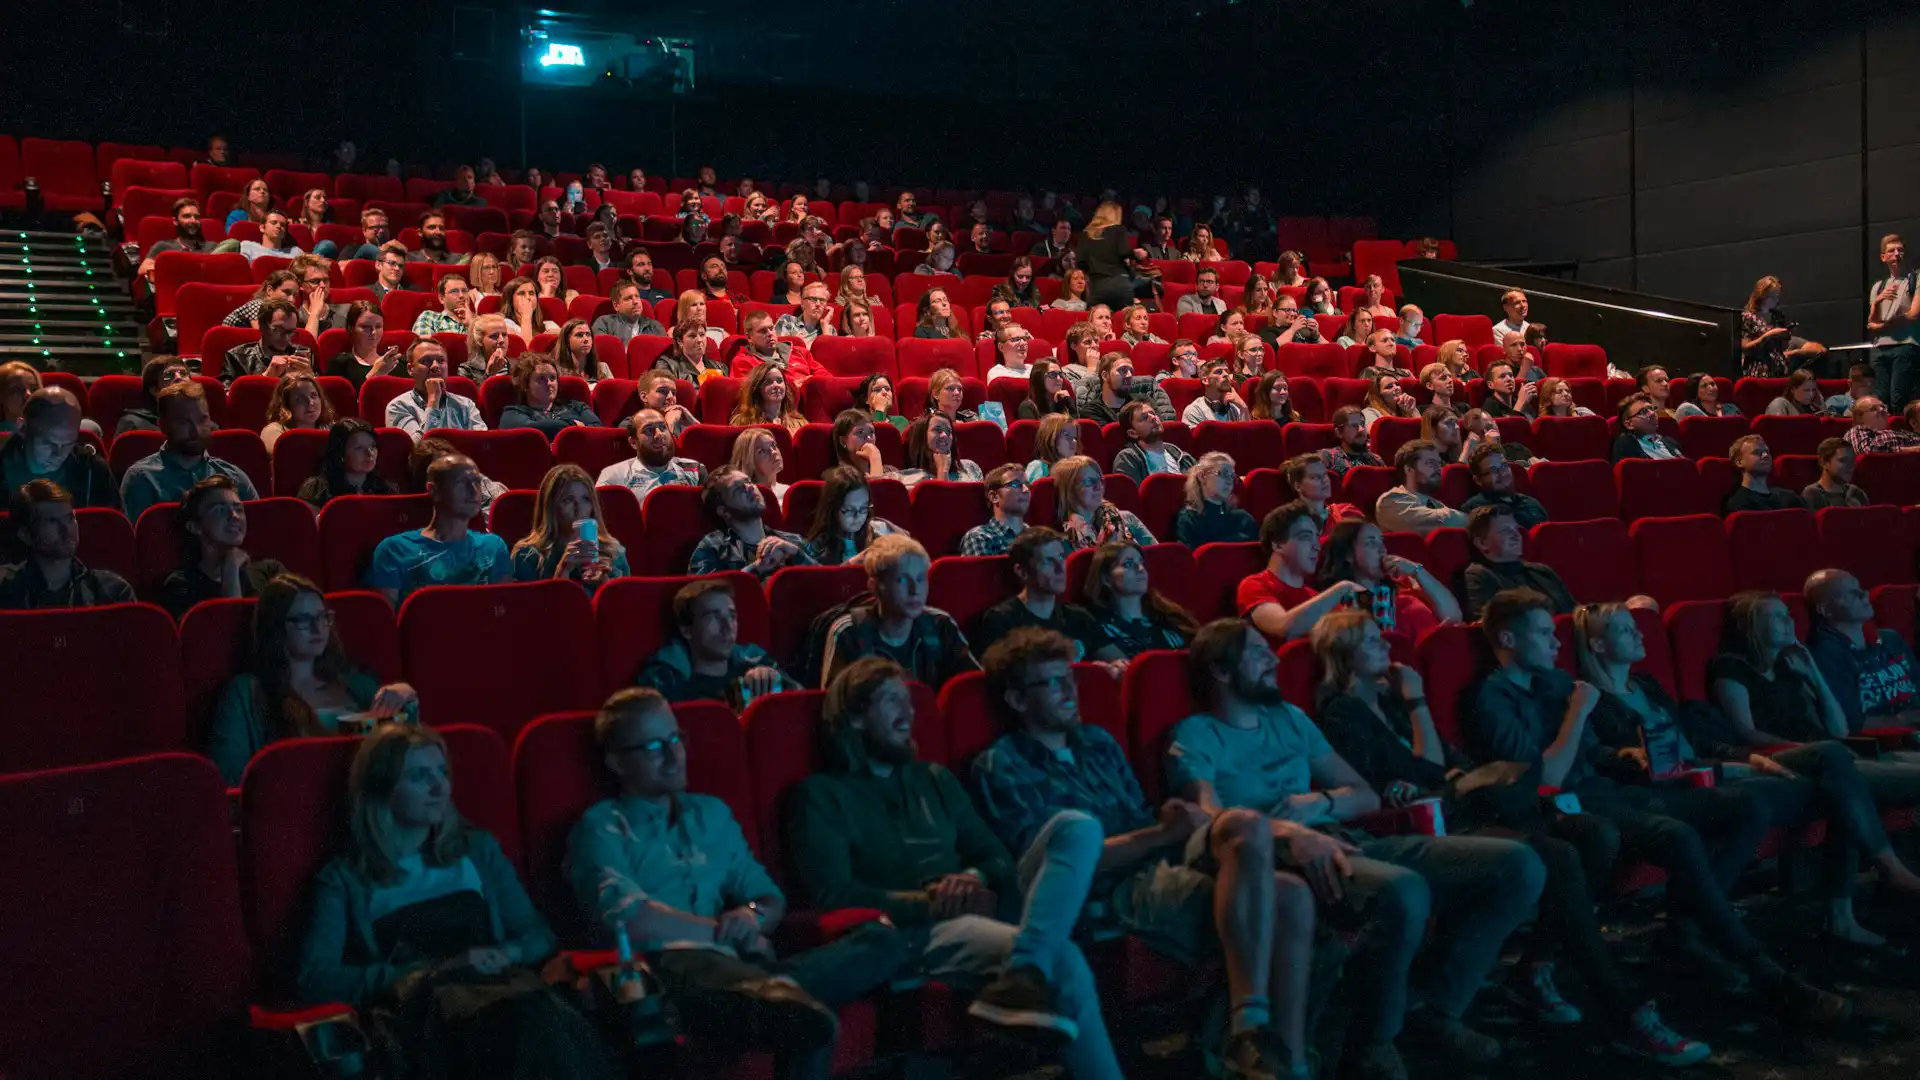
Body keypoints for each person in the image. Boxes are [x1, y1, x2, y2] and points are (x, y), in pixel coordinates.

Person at [1309, 611, 1712, 1065]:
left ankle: (1528, 971)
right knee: (1557, 858)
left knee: (1590, 837)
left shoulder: (1392, 699)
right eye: (1369, 641)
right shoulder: (1343, 711)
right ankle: (1625, 1011)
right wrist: (1420, 704)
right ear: (1343, 656)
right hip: (1436, 823)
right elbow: (1422, 770)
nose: (1385, 643)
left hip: (1472, 805)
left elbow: (1446, 761)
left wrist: (1439, 755)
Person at [1172, 618, 1544, 1075]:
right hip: (1278, 859)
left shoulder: (1290, 718)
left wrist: (1317, 802)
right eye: (1256, 652)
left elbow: (1363, 794)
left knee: (1519, 865)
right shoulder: (1194, 735)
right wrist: (1289, 832)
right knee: (1405, 891)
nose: (1273, 659)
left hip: (1349, 836)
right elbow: (1209, 822)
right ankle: (1376, 1040)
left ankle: (1433, 1008)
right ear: (1221, 671)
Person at [1467, 590, 1854, 1022]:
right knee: (1677, 834)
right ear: (1508, 638)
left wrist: (1626, 756)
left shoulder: (1556, 683)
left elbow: (1592, 754)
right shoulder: (1492, 698)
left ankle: (1686, 934)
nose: (1557, 644)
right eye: (1543, 633)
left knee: (1742, 807)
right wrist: (1578, 713)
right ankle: (1764, 970)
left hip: (1610, 789)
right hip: (1561, 807)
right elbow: (1547, 778)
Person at [970, 628, 1312, 1079]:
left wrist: (1167, 823)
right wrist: (1160, 835)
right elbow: (1056, 868)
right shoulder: (1002, 764)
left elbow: (1139, 820)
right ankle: (1257, 1041)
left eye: (1069, 677)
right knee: (1286, 897)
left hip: (1159, 860)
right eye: (1052, 683)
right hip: (1114, 890)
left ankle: (1273, 1051)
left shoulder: (1097, 743)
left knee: (1253, 838)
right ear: (1016, 700)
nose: (1070, 690)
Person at [569, 689, 901, 1080]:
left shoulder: (711, 814)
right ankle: (782, 998)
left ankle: (779, 991)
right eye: (654, 747)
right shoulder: (602, 827)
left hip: (742, 966)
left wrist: (751, 917)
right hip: (672, 969)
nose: (675, 755)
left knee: (882, 939)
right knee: (810, 1023)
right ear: (616, 762)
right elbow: (626, 919)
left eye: (676, 739)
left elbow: (768, 897)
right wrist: (720, 933)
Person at [1575, 597, 1920, 949]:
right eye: (1624, 630)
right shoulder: (1590, 701)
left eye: (1635, 627)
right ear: (1598, 644)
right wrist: (1738, 766)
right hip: (1688, 786)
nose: (1638, 635)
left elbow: (1699, 744)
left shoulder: (1647, 686)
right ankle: (1856, 897)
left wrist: (1749, 761)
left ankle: (1861, 894)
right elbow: (1615, 761)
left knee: (1836, 768)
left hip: (1721, 767)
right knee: (1839, 782)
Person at [298, 726, 624, 1080]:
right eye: (420, 776)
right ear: (381, 788)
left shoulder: (476, 850)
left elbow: (537, 935)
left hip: (505, 989)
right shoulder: (344, 878)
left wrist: (508, 953)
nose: (439, 788)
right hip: (428, 1010)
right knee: (520, 1023)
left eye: (442, 772)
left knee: (535, 1014)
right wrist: (417, 975)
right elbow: (314, 976)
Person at [205, 573, 418, 783]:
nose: (318, 629)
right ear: (276, 627)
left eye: (322, 617)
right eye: (303, 620)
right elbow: (230, 776)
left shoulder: (355, 683)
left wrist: (406, 696)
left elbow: (408, 746)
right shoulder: (246, 693)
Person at [818, 536, 976, 688]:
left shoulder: (940, 625)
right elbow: (836, 707)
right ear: (874, 586)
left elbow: (971, 687)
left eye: (921, 579)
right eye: (902, 580)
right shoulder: (849, 633)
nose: (915, 590)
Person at [366, 453, 511, 606]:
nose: (474, 490)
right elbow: (386, 623)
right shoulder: (394, 550)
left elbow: (505, 613)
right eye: (461, 482)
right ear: (433, 490)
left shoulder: (493, 546)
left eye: (476, 482)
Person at [973, 527, 1127, 666]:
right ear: (1022, 572)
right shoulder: (1001, 620)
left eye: (1061, 558)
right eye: (1048, 561)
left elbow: (1121, 663)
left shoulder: (1078, 617)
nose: (1060, 568)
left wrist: (1112, 669)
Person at [120, 380, 259, 524]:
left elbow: (259, 531)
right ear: (162, 426)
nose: (196, 430)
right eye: (183, 422)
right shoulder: (142, 478)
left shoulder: (233, 475)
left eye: (202, 420)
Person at [1805, 568, 1920, 734]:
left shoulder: (1890, 639)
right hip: (1883, 744)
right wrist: (1905, 720)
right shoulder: (1825, 656)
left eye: (1860, 589)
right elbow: (1849, 722)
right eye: (1851, 593)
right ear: (1825, 610)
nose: (1864, 595)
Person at [157, 475, 285, 618]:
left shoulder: (269, 571)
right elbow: (230, 634)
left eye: (239, 509)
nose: (234, 515)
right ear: (195, 527)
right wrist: (231, 570)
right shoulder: (180, 585)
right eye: (219, 510)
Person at [0, 479, 134, 609]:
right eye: (52, 521)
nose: (66, 529)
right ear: (25, 535)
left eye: (70, 518)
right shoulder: (5, 588)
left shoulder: (113, 592)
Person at [1319, 518, 1460, 637]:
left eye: (1381, 541)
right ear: (1348, 555)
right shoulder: (1334, 604)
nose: (1382, 549)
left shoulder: (1403, 595)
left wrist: (1416, 570)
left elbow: (1453, 617)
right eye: (1371, 542)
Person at [507, 464, 628, 593]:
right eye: (568, 500)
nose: (579, 508)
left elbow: (625, 609)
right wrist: (563, 570)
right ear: (551, 508)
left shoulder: (613, 552)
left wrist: (604, 584)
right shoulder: (527, 555)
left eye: (585, 499)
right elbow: (532, 611)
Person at [0, 387, 117, 511]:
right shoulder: (3, 466)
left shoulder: (92, 471)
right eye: (49, 443)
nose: (58, 454)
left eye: (68, 444)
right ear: (23, 428)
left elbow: (111, 525)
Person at [688, 467, 813, 579]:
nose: (750, 487)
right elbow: (703, 597)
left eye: (748, 481)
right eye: (738, 488)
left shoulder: (793, 541)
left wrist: (798, 555)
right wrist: (758, 568)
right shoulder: (713, 547)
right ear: (724, 511)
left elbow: (828, 583)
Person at [1081, 542, 1198, 657]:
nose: (1140, 568)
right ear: (1106, 579)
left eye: (1141, 562)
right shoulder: (1097, 628)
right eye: (1128, 564)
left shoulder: (1167, 616)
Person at [593, 406, 703, 502]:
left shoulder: (695, 469)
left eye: (663, 427)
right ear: (633, 442)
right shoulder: (614, 476)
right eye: (649, 430)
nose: (659, 434)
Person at [383, 340, 485, 439]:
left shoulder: (466, 405)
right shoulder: (398, 407)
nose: (435, 366)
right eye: (426, 361)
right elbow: (416, 450)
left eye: (441, 360)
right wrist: (433, 402)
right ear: (410, 369)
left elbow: (479, 445)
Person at [1051, 455, 1156, 551]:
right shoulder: (1060, 536)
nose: (1098, 487)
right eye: (1089, 481)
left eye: (1100, 480)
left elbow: (1154, 557)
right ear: (1069, 489)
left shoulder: (1127, 518)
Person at [805, 466, 905, 565]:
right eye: (849, 510)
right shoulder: (819, 544)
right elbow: (816, 578)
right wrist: (849, 565)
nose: (858, 517)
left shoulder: (878, 530)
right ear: (833, 509)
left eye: (863, 508)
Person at [1373, 440, 1466, 536]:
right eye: (1431, 463)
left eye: (1440, 464)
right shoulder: (1390, 500)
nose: (1439, 469)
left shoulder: (1435, 503)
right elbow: (1442, 521)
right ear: (1409, 469)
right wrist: (1475, 521)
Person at [296, 420, 394, 510]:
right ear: (340, 453)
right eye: (359, 448)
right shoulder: (316, 490)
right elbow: (306, 527)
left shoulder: (384, 488)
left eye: (373, 446)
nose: (369, 453)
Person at [1869, 233, 1918, 411]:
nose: (1896, 253)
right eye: (1891, 250)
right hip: (1880, 348)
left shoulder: (1915, 279)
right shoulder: (1879, 286)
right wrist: (1876, 302)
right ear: (1883, 257)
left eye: (1900, 250)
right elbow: (1870, 323)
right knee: (1880, 400)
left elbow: (1913, 315)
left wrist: (1883, 326)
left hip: (1906, 346)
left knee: (1900, 399)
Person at [1741, 275, 1825, 378]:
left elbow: (1783, 345)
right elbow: (1745, 347)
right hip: (1759, 368)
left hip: (1779, 366)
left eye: (1777, 296)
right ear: (1761, 295)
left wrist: (1786, 334)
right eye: (1772, 296)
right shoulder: (1748, 317)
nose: (1776, 300)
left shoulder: (1777, 315)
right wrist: (1769, 335)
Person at [498, 354, 596, 437]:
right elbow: (530, 430)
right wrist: (572, 425)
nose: (549, 383)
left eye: (552, 378)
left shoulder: (577, 407)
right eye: (541, 379)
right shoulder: (513, 413)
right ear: (525, 385)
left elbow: (597, 429)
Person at [1074, 200, 1147, 312]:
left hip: (1098, 285)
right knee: (1124, 321)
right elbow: (1124, 252)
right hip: (1120, 284)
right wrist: (1135, 253)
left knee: (1094, 323)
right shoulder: (1118, 230)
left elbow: (1080, 262)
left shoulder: (1085, 234)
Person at [1174, 451, 1256, 546]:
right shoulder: (1190, 520)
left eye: (1232, 476)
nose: (1229, 481)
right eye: (1223, 474)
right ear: (1202, 476)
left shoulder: (1243, 519)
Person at [1457, 443, 1546, 528]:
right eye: (1493, 470)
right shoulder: (1472, 511)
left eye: (1504, 466)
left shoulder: (1532, 504)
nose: (1502, 473)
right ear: (1478, 480)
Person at [1109, 401, 1195, 486]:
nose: (1153, 418)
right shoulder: (1128, 458)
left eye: (1153, 414)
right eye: (1144, 417)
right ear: (1133, 433)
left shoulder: (1181, 455)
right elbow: (1130, 497)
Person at [324, 301, 402, 390]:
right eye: (366, 327)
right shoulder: (341, 364)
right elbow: (344, 401)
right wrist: (375, 373)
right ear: (351, 328)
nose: (373, 332)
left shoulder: (395, 363)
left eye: (378, 326)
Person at [1722, 434, 1806, 514]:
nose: (1765, 455)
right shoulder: (1738, 502)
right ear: (1739, 462)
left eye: (1767, 452)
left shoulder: (1790, 497)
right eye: (1757, 452)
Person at [898, 413, 982, 488]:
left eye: (949, 431)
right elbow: (942, 504)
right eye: (938, 430)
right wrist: (943, 471)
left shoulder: (970, 467)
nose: (945, 435)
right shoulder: (905, 479)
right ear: (922, 436)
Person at [259, 372, 335, 452]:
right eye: (300, 399)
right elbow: (286, 455)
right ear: (286, 405)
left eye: (314, 395)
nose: (310, 402)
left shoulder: (330, 427)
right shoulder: (274, 430)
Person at [728, 362, 806, 435]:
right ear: (757, 388)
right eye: (768, 382)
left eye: (779, 381)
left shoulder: (800, 423)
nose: (776, 385)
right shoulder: (743, 422)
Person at [1610, 394, 1682, 461]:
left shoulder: (1669, 441)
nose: (1652, 413)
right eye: (1643, 412)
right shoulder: (1626, 443)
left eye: (1652, 409)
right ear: (1629, 424)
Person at [1801, 437, 1868, 509]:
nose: (1850, 466)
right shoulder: (1812, 494)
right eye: (1843, 460)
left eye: (1852, 461)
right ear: (1824, 463)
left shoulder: (1856, 493)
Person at [1182, 358, 1250, 426]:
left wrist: (1243, 407)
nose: (1226, 374)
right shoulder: (1195, 410)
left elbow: (1247, 435)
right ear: (1206, 380)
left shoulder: (1234, 408)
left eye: (1227, 371)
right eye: (1218, 372)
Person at [1843, 394, 1920, 455]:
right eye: (1873, 408)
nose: (1882, 409)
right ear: (1859, 416)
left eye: (1884, 407)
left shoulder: (1899, 432)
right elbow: (1867, 451)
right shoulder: (1856, 431)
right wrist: (1911, 450)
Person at [1321, 406, 1384, 478]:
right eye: (1353, 425)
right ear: (1339, 432)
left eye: (1363, 424)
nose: (1361, 429)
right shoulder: (1328, 458)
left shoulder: (1376, 460)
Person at [730, 428, 789, 503]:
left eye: (774, 445)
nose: (773, 452)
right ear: (748, 461)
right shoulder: (745, 498)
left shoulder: (790, 491)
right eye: (762, 451)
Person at [405, 211, 471, 266]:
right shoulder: (410, 259)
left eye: (441, 228)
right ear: (420, 232)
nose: (438, 232)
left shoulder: (457, 260)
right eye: (432, 227)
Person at [1671, 374, 1737, 418]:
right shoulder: (1688, 410)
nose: (1711, 388)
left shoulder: (1731, 408)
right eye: (1704, 386)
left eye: (1713, 384)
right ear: (1695, 391)